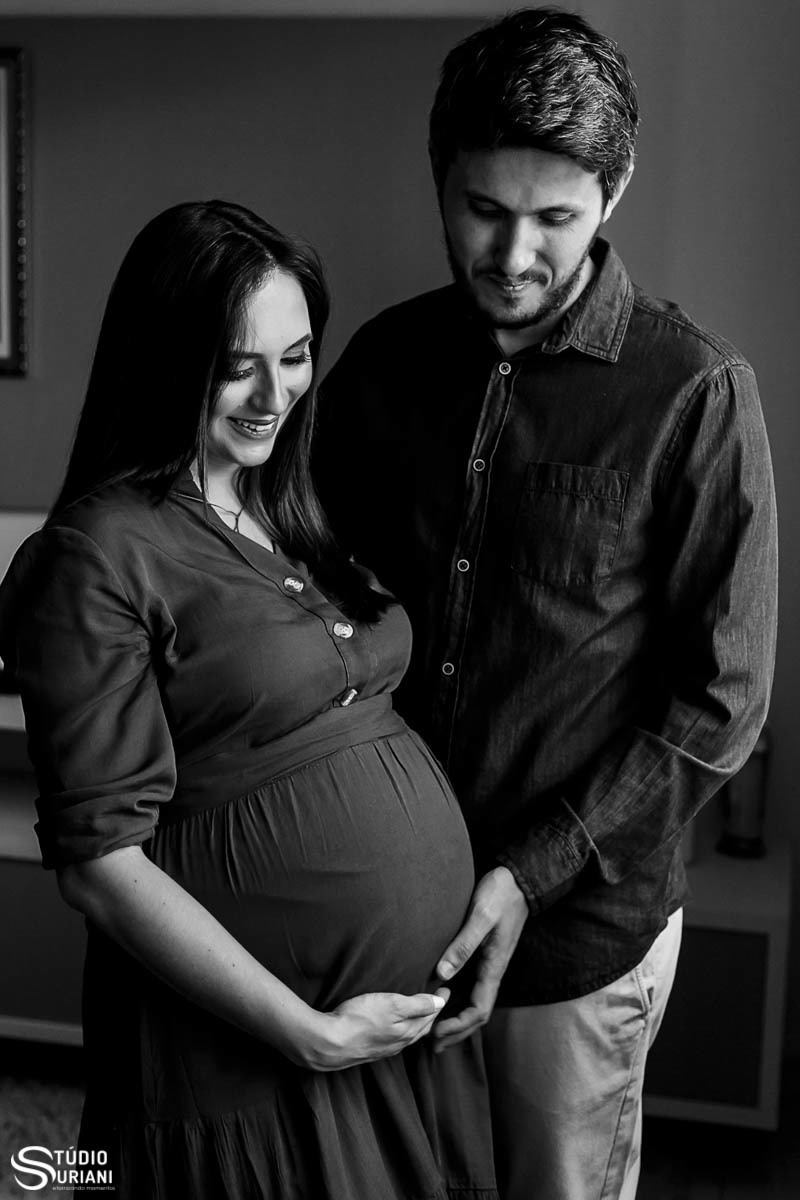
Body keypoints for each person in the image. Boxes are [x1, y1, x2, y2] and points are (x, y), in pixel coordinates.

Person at [314, 8, 778, 1200]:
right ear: (440, 180)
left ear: (611, 195)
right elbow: (316, 603)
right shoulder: (379, 365)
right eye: (481, 210)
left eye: (554, 219)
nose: (512, 255)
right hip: (386, 908)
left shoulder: (696, 393)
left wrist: (524, 872)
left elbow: (716, 705)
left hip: (576, 938)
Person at [0, 200, 498, 1200]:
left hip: (389, 1043)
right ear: (167, 359)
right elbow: (99, 866)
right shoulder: (100, 553)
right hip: (250, 1051)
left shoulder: (289, 502)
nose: (275, 395)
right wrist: (307, 1033)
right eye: (237, 366)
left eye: (296, 355)